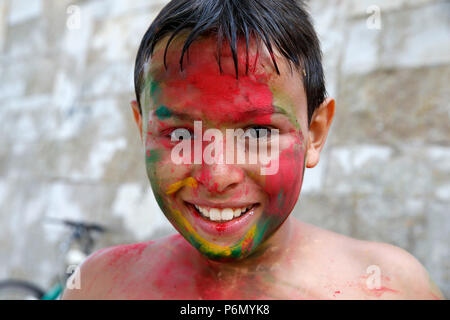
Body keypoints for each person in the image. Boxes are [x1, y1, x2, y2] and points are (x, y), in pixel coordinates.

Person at [63, 0, 444, 299]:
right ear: (142, 127)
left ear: (314, 132)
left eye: (258, 133)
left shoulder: (390, 289)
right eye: (180, 133)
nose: (217, 176)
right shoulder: (98, 286)